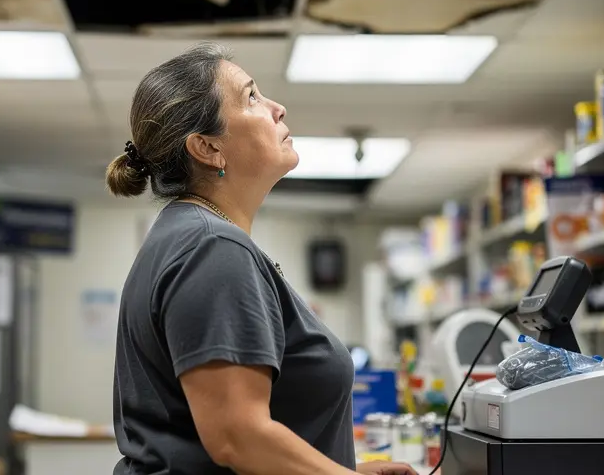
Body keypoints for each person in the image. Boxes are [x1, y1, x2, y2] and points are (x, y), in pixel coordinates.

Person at [104, 42, 417, 475]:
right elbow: (238, 436)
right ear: (208, 147)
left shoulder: (191, 235)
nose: (277, 108)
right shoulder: (211, 248)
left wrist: (347, 468)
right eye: (251, 97)